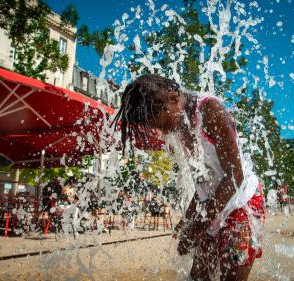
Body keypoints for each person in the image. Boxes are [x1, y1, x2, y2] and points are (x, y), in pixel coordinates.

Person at [112, 74, 265, 281]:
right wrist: (187, 221)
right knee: (199, 276)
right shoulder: (178, 123)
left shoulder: (210, 111)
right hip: (213, 205)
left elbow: (234, 176)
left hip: (241, 201)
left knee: (231, 276)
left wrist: (196, 228)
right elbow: (204, 183)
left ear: (173, 98)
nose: (162, 131)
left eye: (162, 124)